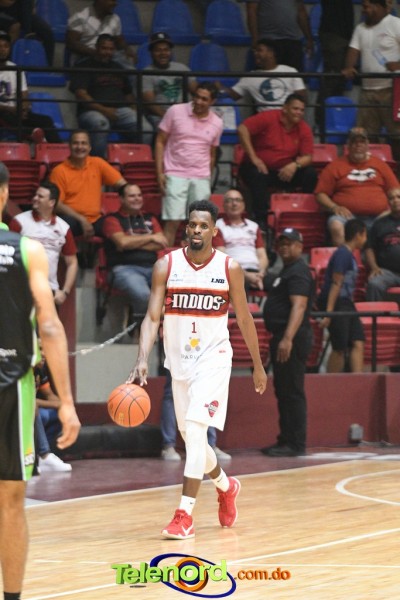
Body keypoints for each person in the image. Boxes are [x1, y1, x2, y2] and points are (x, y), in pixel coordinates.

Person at [129, 199, 267, 539]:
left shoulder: (229, 268)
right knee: (194, 439)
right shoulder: (166, 265)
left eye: (204, 226)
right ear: (186, 227)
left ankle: (184, 515)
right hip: (179, 363)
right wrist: (142, 357)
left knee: (194, 430)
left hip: (214, 358)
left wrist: (257, 364)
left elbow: (244, 318)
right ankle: (226, 486)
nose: (196, 230)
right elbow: (152, 317)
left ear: (214, 231)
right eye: (192, 224)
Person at [0, 161, 80, 600]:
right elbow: (49, 326)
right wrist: (65, 401)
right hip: (11, 383)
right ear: (4, 195)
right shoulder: (26, 250)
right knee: (10, 501)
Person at [262, 228, 313, 457]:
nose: (284, 247)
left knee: (291, 391)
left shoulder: (299, 272)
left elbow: (299, 306)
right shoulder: (286, 271)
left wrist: (287, 338)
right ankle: (285, 439)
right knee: (283, 390)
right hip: (282, 336)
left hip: (291, 337)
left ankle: (295, 443)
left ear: (300, 247)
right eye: (281, 243)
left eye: (289, 243)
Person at [155, 81, 223, 246]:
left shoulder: (217, 122)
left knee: (198, 223)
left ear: (212, 101)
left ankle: (193, 259)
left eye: (204, 99)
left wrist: (207, 177)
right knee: (173, 221)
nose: (198, 101)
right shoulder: (175, 111)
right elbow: (160, 141)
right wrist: (160, 173)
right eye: (196, 97)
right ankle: (167, 259)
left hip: (201, 176)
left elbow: (212, 154)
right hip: (174, 173)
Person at [237, 92, 317, 228]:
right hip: (257, 168)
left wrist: (294, 165)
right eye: (295, 109)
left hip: (284, 172)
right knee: (258, 175)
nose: (299, 113)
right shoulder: (269, 117)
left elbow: (308, 157)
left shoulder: (304, 128)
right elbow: (242, 129)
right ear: (285, 108)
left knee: (310, 174)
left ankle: (303, 214)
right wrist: (254, 158)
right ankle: (261, 220)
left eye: (302, 110)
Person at [69, 34, 151, 158]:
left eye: (111, 49)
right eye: (104, 48)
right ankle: (98, 163)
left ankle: (133, 162)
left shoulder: (118, 67)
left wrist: (134, 108)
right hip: (92, 111)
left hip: (120, 111)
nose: (107, 52)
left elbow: (128, 93)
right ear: (96, 47)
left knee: (146, 129)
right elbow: (81, 94)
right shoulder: (84, 66)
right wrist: (104, 110)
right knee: (101, 123)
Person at [315, 127, 399, 246]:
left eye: (362, 142)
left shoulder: (380, 165)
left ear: (367, 145)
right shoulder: (335, 166)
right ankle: (344, 257)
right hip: (348, 217)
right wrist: (334, 207)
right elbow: (320, 194)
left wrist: (389, 211)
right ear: (348, 145)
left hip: (379, 216)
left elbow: (395, 190)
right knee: (335, 225)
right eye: (354, 142)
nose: (358, 145)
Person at [101, 183, 168, 325]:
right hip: (124, 269)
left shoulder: (150, 218)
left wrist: (132, 243)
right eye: (132, 196)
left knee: (177, 290)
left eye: (139, 195)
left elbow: (161, 243)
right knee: (143, 295)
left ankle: (149, 323)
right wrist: (151, 237)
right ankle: (141, 326)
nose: (137, 199)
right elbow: (122, 243)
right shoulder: (112, 220)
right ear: (121, 199)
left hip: (153, 267)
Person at [342, 0, 400, 160]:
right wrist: (349, 67)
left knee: (397, 135)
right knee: (367, 135)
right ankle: (372, 169)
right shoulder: (360, 28)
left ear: (378, 6)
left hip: (393, 90)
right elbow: (353, 50)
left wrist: (398, 65)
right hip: (367, 91)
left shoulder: (396, 24)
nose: (363, 10)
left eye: (366, 6)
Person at [9, 181, 78, 306]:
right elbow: (9, 256)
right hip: (22, 290)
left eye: (40, 196)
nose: (35, 198)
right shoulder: (19, 222)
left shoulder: (63, 228)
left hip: (50, 291)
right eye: (35, 195)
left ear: (51, 202)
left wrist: (65, 292)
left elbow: (72, 262)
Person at [49, 129, 127, 238]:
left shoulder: (98, 163)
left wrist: (129, 196)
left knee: (116, 224)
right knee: (64, 225)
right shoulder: (59, 171)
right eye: (76, 143)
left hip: (96, 219)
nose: (80, 147)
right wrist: (81, 219)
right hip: (72, 219)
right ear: (69, 146)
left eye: (83, 143)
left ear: (89, 147)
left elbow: (122, 184)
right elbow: (56, 204)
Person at [317, 219, 367, 373]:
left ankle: (358, 380)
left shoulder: (350, 255)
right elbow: (336, 283)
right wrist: (329, 312)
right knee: (339, 346)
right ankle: (329, 383)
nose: (365, 239)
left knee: (358, 341)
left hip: (347, 302)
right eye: (365, 235)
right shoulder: (342, 254)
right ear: (358, 235)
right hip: (336, 303)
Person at [0, 30, 61, 142]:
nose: (2, 49)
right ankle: (32, 134)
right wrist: (11, 109)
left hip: (15, 112)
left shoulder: (16, 69)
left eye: (6, 46)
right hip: (4, 112)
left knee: (46, 120)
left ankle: (59, 150)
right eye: (0, 46)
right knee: (4, 115)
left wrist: (23, 108)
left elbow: (24, 94)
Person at [161, 369, 231, 461]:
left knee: (206, 391)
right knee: (172, 392)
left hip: (203, 360)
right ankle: (168, 445)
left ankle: (209, 445)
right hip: (177, 360)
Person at [218, 38, 306, 112]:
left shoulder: (290, 71)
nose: (255, 53)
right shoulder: (250, 77)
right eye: (255, 51)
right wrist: (219, 88)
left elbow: (302, 97)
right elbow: (233, 95)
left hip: (287, 116)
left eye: (259, 50)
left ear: (271, 53)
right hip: (265, 119)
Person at [142, 32, 198, 134]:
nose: (163, 53)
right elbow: (150, 103)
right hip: (161, 116)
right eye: (158, 50)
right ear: (151, 52)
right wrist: (170, 118)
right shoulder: (146, 73)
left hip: (186, 113)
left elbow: (196, 91)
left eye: (166, 50)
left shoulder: (182, 68)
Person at [214, 188, 268, 291]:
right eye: (230, 201)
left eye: (238, 200)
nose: (234, 204)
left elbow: (262, 255)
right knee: (241, 284)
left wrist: (260, 274)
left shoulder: (253, 226)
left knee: (280, 283)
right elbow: (222, 259)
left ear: (243, 205)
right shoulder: (217, 226)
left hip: (256, 271)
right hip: (232, 272)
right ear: (224, 205)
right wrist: (246, 275)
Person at [316, 0, 354, 128]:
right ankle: (322, 120)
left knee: (338, 80)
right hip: (334, 34)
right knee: (332, 79)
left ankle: (333, 120)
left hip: (340, 34)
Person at [245, 0, 313, 71]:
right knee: (267, 75)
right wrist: (255, 38)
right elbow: (252, 11)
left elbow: (301, 11)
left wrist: (309, 38)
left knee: (293, 75)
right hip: (268, 41)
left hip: (292, 41)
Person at [66, 0, 135, 68]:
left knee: (128, 67)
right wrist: (96, 53)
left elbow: (119, 41)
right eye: (112, 0)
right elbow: (72, 44)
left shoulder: (115, 18)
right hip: (86, 57)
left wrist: (127, 49)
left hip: (109, 57)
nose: (115, 4)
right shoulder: (80, 18)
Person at [34, 359, 72, 472]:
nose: (44, 355)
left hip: (35, 413)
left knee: (60, 415)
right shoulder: (19, 371)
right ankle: (44, 455)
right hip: (15, 415)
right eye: (40, 351)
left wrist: (37, 402)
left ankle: (38, 456)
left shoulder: (40, 371)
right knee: (32, 409)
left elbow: (54, 399)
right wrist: (33, 403)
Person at [365, 187, 400, 300]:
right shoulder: (379, 224)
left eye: (398, 197)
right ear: (388, 203)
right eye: (391, 198)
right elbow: (369, 248)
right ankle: (373, 312)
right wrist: (374, 267)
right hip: (388, 272)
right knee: (374, 284)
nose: (395, 200)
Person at [0, 0, 55, 64]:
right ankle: (7, 60)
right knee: (15, 26)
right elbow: (5, 2)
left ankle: (48, 66)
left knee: (47, 32)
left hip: (22, 11)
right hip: (3, 11)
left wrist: (31, 7)